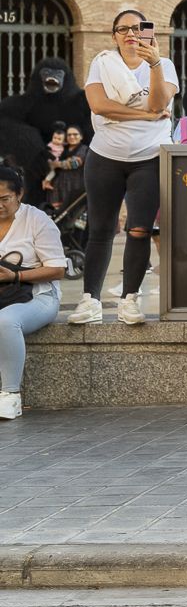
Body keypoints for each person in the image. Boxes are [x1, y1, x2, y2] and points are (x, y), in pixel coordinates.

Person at [67, 9, 177, 327]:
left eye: (137, 28)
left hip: (149, 156)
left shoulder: (164, 65)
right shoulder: (102, 62)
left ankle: (130, 299)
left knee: (140, 229)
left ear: (148, 33)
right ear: (114, 35)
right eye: (123, 28)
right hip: (105, 157)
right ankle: (91, 300)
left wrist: (154, 63)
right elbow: (98, 105)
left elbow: (158, 103)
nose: (131, 33)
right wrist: (144, 116)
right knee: (100, 230)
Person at [0, 165, 66, 421]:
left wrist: (16, 275)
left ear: (20, 195)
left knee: (6, 322)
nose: (0, 205)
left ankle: (10, 395)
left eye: (4, 199)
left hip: (38, 296)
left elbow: (57, 268)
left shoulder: (37, 220)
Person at [42, 122, 85, 214]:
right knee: (52, 215)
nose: (72, 137)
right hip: (56, 189)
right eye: (69, 135)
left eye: (75, 134)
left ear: (81, 136)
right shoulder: (61, 148)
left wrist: (57, 164)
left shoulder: (83, 149)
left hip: (73, 188)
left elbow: (74, 163)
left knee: (67, 216)